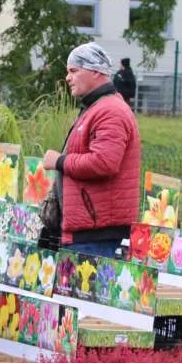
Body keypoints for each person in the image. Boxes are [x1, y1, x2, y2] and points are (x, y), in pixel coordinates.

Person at [41, 42, 141, 258]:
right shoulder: (97, 107)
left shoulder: (110, 111)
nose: (68, 78)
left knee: (81, 292)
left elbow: (104, 162)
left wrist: (59, 161)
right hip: (86, 230)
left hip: (96, 235)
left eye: (74, 71)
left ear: (95, 71)